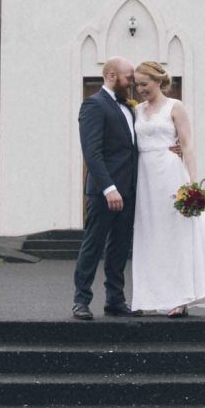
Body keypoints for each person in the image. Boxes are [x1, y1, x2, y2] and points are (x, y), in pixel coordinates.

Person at [131, 61, 205, 317]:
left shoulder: (175, 107)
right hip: (146, 178)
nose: (140, 89)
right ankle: (162, 295)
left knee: (187, 229)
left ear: (158, 81)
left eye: (144, 84)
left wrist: (194, 185)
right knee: (155, 235)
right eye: (137, 84)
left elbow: (188, 145)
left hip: (170, 172)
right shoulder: (136, 111)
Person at [72, 57, 139, 320]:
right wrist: (108, 188)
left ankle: (115, 300)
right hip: (104, 192)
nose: (131, 83)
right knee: (93, 244)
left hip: (129, 190)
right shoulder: (93, 105)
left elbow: (132, 150)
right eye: (128, 78)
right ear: (111, 75)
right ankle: (80, 300)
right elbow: (92, 151)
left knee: (119, 248)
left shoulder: (128, 108)